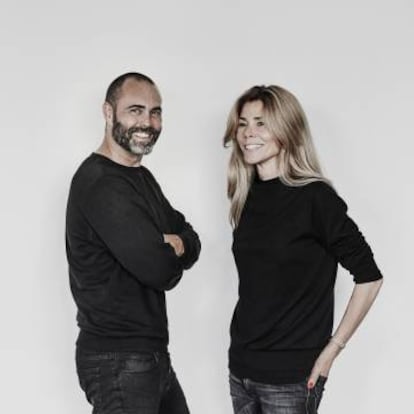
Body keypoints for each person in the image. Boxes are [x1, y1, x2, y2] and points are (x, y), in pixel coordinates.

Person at [223, 85, 383, 414]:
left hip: (291, 378)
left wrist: (332, 350)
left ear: (287, 129)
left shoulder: (316, 198)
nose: (248, 133)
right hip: (241, 371)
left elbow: (370, 278)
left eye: (261, 123)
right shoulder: (246, 195)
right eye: (243, 123)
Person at [66, 72, 201, 414]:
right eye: (135, 110)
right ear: (108, 112)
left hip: (148, 356)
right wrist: (168, 249)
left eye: (155, 112)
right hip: (117, 359)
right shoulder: (101, 184)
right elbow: (160, 270)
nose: (147, 122)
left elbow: (191, 237)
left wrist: (176, 243)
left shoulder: (140, 177)